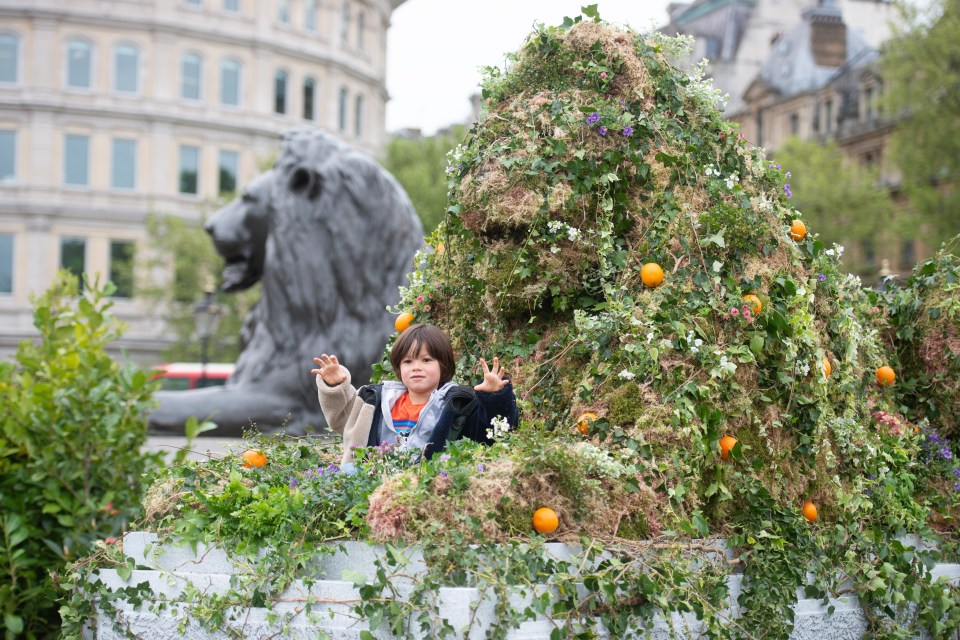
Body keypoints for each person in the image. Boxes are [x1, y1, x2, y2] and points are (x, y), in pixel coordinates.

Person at [311, 324, 519, 465]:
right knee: (348, 471)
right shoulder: (377, 399)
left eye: (426, 360)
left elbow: (490, 434)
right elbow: (344, 420)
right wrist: (336, 385)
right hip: (373, 483)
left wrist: (494, 397)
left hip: (426, 488)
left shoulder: (458, 404)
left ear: (443, 366)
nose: (416, 368)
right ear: (399, 368)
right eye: (408, 362)